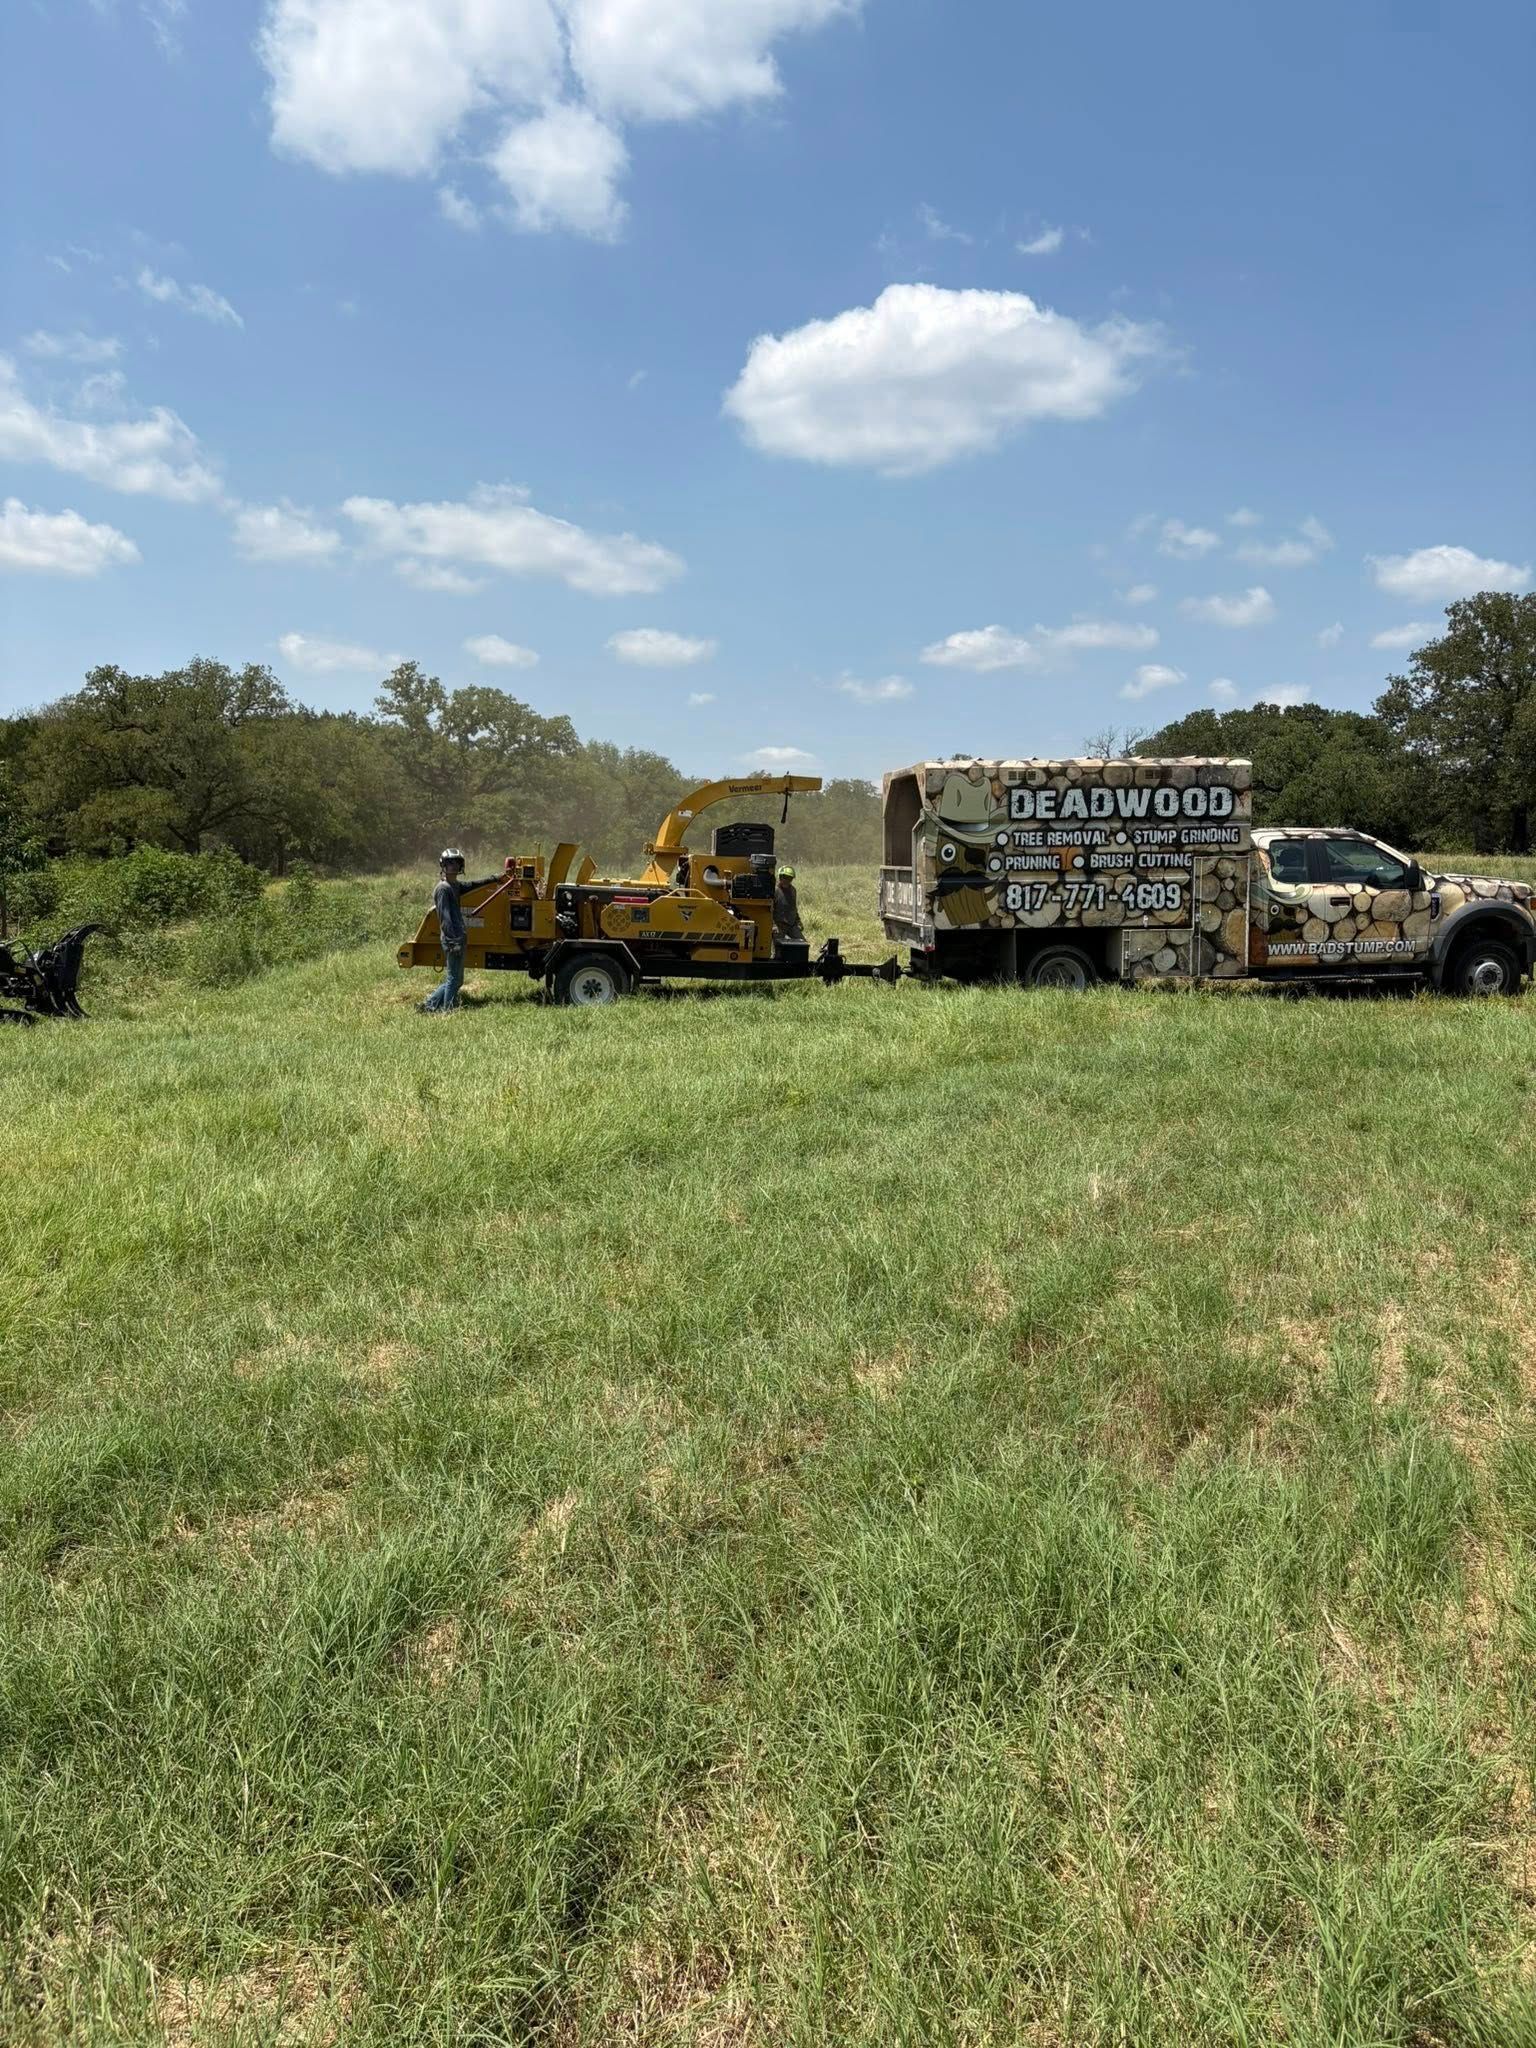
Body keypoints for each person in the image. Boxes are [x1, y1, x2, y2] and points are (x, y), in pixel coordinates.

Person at [420, 848, 499, 1013]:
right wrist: (452, 940)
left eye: (456, 863)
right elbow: (445, 917)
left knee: (457, 980)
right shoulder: (443, 889)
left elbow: (471, 885)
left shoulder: (454, 885)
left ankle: (430, 1005)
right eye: (450, 863)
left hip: (459, 937)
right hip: (452, 939)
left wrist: (493, 880)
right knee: (453, 979)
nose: (453, 866)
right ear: (443, 865)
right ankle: (447, 1011)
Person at [774, 863, 805, 944]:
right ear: (780, 877)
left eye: (789, 878)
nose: (787, 880)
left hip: (791, 924)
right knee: (778, 949)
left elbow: (793, 907)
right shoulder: (774, 891)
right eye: (785, 877)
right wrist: (773, 925)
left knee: (802, 943)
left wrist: (798, 921)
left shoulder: (793, 890)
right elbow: (769, 910)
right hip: (778, 925)